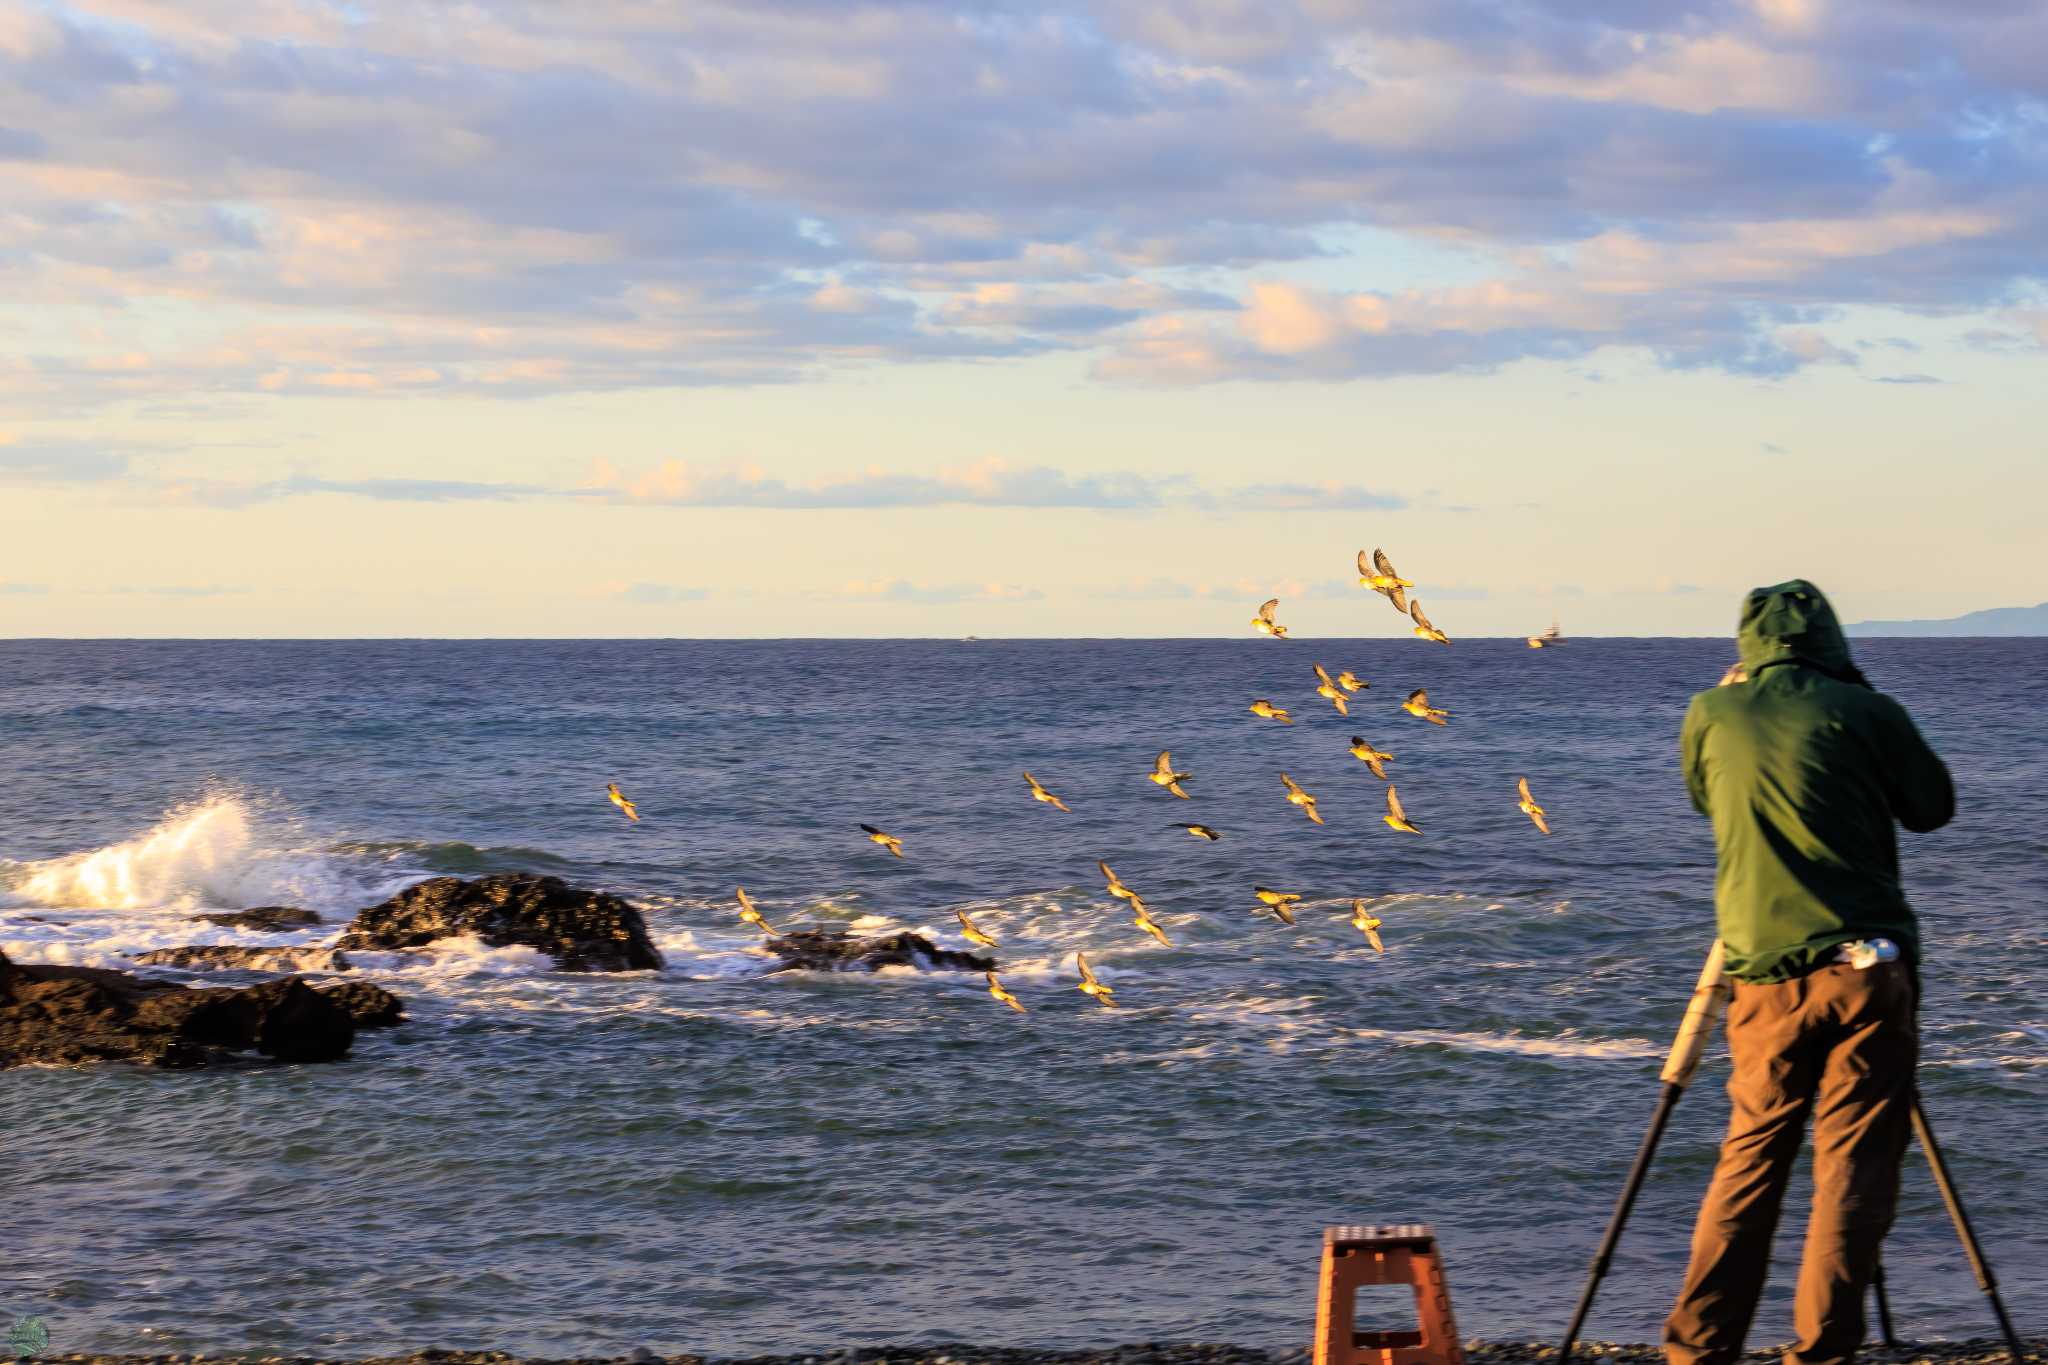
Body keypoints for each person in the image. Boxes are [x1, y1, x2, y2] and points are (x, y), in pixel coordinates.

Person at [1665, 579, 1954, 1365]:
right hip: (1868, 967)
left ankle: (1699, 1347)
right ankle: (1821, 1350)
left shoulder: (1709, 713)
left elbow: (1707, 799)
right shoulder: (1868, 710)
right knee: (1853, 1165)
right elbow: (1932, 807)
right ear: (1831, 637)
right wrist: (1857, 706)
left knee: (1751, 1157)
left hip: (1762, 975)